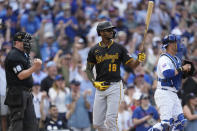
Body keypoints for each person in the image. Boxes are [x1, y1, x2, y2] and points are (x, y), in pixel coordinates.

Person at [86, 21, 146, 131]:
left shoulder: (119, 48)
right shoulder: (94, 50)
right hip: (100, 87)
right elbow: (88, 70)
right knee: (97, 124)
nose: (112, 31)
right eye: (108, 30)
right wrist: (94, 82)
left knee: (110, 119)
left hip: (115, 86)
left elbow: (132, 65)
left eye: (111, 29)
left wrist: (138, 60)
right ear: (101, 33)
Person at [149, 34, 192, 131]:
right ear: (169, 45)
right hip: (164, 92)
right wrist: (182, 68)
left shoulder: (176, 59)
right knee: (166, 124)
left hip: (173, 93)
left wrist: (187, 72)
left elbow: (178, 77)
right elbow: (167, 73)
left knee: (181, 123)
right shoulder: (164, 58)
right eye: (175, 42)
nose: (178, 44)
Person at [4, 32, 42, 131]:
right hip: (17, 93)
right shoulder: (13, 55)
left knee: (31, 124)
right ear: (17, 42)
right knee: (17, 124)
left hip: (26, 93)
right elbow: (20, 75)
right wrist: (35, 67)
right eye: (25, 41)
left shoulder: (23, 54)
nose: (28, 43)